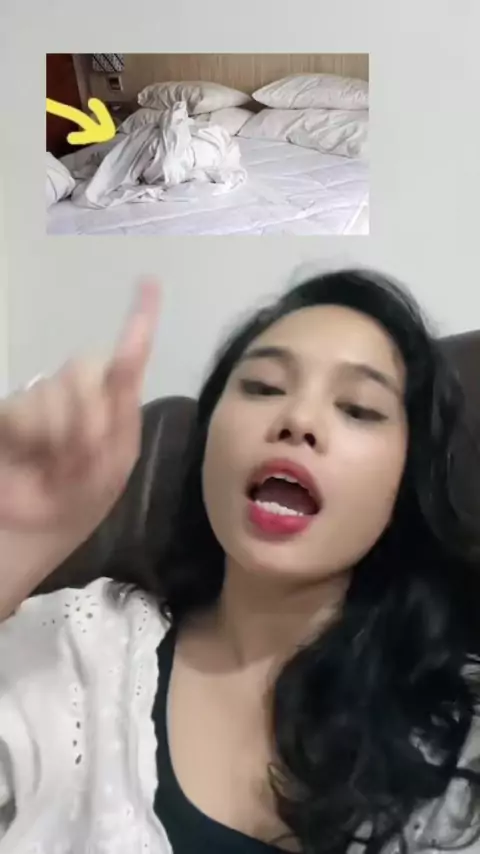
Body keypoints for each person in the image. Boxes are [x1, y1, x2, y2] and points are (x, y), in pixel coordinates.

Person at [0, 270, 479, 854]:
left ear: (406, 482)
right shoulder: (77, 650)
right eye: (263, 387)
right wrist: (14, 543)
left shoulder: (455, 738)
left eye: (357, 408)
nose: (298, 420)